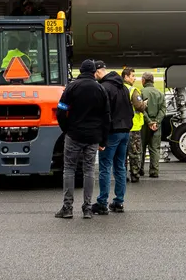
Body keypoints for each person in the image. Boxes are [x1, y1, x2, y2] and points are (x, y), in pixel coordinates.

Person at [54, 59, 110, 219]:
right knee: (89, 170)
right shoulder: (100, 89)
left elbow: (60, 111)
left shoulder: (72, 87)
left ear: (80, 71)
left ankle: (67, 207)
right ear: (94, 72)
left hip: (74, 135)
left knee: (69, 169)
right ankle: (87, 208)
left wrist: (67, 130)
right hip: (93, 137)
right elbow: (107, 117)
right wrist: (103, 140)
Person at [95, 63, 134, 214]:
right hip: (125, 131)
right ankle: (119, 201)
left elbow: (104, 114)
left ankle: (102, 202)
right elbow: (129, 110)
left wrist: (101, 136)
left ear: (99, 72)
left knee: (105, 167)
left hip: (112, 132)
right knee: (120, 167)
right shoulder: (123, 87)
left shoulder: (104, 88)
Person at [122, 67, 147, 183]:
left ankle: (122, 175)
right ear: (126, 77)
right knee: (135, 152)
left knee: (122, 153)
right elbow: (139, 106)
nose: (134, 78)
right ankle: (135, 174)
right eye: (132, 76)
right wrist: (144, 104)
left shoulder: (118, 89)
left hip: (121, 127)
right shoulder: (133, 90)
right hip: (134, 126)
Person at [140, 71, 166, 178]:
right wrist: (156, 121)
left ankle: (139, 169)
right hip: (156, 125)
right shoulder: (160, 93)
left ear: (143, 81)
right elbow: (163, 110)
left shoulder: (141, 92)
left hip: (144, 125)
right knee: (155, 148)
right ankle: (154, 171)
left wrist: (149, 121)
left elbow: (140, 109)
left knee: (140, 148)